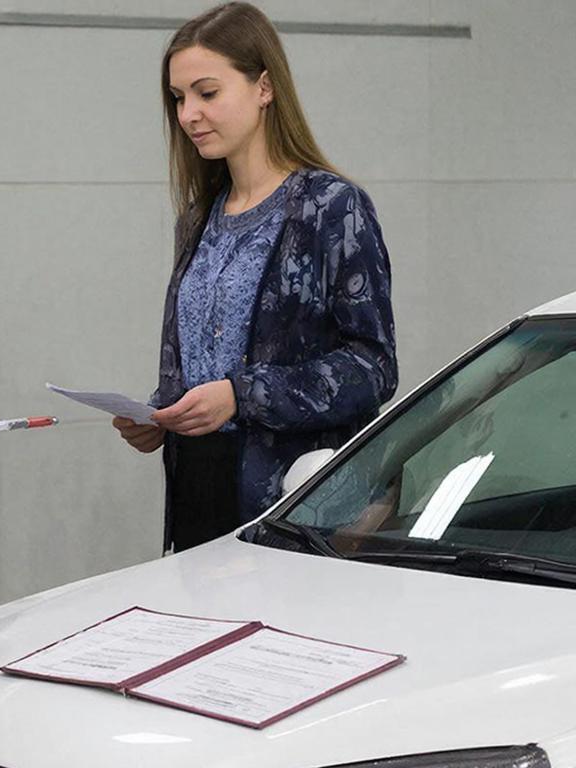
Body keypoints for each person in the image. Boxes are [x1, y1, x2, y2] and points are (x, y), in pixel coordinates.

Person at [114, 1, 397, 553]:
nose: (188, 114)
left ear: (264, 87)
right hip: (196, 488)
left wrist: (242, 395)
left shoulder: (331, 207)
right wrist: (161, 414)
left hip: (294, 503)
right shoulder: (198, 217)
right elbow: (201, 362)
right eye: (178, 98)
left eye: (207, 93)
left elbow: (374, 367)